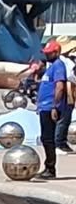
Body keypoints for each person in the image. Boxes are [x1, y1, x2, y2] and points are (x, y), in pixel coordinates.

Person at [38, 41, 67, 180]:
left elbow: (60, 86)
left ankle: (50, 168)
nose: (47, 55)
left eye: (49, 53)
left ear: (56, 53)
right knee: (45, 138)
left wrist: (55, 106)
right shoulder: (50, 67)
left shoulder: (58, 66)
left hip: (50, 108)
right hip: (44, 107)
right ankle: (48, 166)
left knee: (48, 139)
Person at [58, 48, 76, 154]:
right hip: (67, 90)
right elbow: (70, 76)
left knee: (66, 118)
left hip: (69, 90)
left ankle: (62, 142)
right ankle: (59, 143)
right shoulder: (65, 62)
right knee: (64, 119)